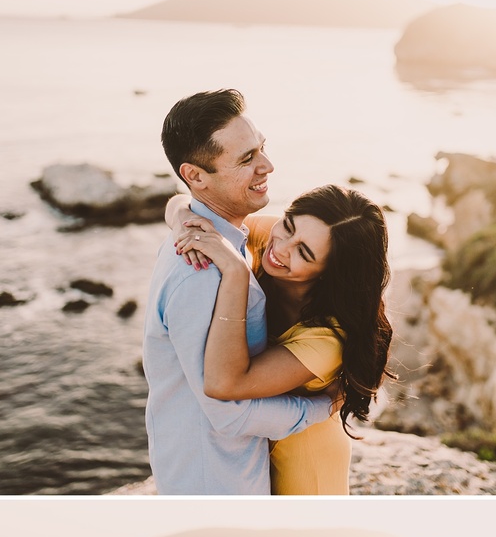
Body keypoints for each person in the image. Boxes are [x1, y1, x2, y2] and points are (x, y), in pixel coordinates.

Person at [144, 88, 334, 495]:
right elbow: (226, 414)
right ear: (195, 176)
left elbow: (177, 203)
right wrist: (323, 407)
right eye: (247, 159)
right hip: (213, 480)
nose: (267, 165)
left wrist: (179, 214)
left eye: (260, 148)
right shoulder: (201, 272)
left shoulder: (228, 238)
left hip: (230, 468)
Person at [169, 183, 393, 495]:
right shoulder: (274, 239)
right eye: (287, 225)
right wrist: (186, 223)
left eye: (304, 252)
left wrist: (236, 272)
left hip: (304, 462)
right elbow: (182, 202)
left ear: (332, 272)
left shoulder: (328, 339)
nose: (282, 248)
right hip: (252, 450)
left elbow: (223, 384)